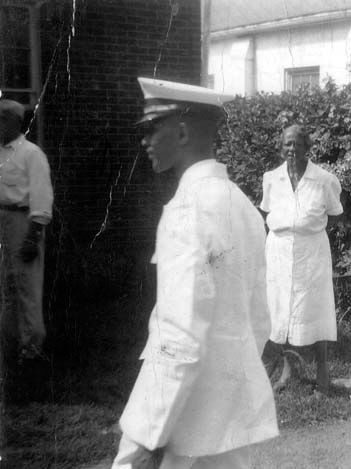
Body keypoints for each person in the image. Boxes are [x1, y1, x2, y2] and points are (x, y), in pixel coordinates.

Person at [111, 77, 278, 469]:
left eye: (153, 128)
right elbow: (258, 318)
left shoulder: (186, 209)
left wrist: (147, 436)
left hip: (183, 426)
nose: (144, 140)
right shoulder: (242, 205)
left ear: (182, 131)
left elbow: (179, 335)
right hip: (230, 419)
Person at [260, 124, 343, 395]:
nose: (291, 149)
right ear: (280, 147)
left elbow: (335, 213)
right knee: (279, 311)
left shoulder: (324, 179)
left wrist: (308, 228)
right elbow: (267, 212)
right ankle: (282, 370)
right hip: (278, 253)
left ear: (307, 147)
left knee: (315, 310)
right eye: (287, 144)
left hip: (311, 254)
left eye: (296, 144)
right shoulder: (271, 178)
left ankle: (322, 376)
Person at [0, 99, 53, 363]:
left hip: (23, 222)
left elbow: (42, 198)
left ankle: (31, 348)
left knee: (26, 285)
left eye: (2, 119)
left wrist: (33, 235)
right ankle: (9, 347)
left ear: (15, 122)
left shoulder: (31, 153)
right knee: (5, 287)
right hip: (2, 221)